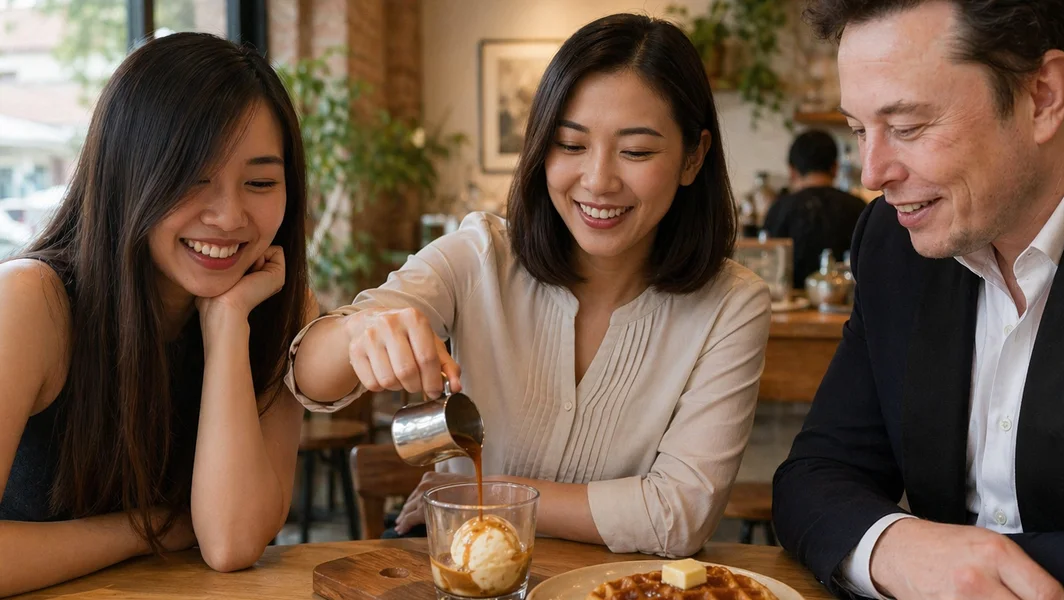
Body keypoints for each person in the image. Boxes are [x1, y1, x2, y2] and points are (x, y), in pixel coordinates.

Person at [287, 13, 771, 557]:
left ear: (693, 157)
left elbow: (678, 516)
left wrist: (477, 493)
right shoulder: (481, 256)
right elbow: (309, 374)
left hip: (613, 588)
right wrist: (361, 336)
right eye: (570, 145)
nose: (598, 180)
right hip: (457, 571)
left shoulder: (732, 305)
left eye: (636, 151)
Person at [772, 1, 1064, 598]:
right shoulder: (893, 241)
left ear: (1043, 95)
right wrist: (898, 551)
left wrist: (941, 567)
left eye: (908, 127)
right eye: (858, 129)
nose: (872, 173)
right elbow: (814, 477)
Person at [0, 33, 314, 595]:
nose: (228, 216)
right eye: (192, 178)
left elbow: (231, 542)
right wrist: (146, 530)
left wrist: (227, 327)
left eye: (261, 182)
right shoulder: (31, 302)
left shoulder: (272, 309)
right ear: (128, 174)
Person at [762, 129, 865, 284]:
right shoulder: (858, 207)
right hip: (844, 300)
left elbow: (768, 265)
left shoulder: (779, 208)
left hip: (788, 303)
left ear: (792, 171)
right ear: (835, 168)